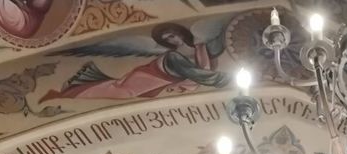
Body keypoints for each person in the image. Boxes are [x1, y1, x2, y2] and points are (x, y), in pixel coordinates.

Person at [45, 24, 226, 102]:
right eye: (168, 39)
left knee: (119, 91)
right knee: (120, 89)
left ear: (179, 32)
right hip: (152, 73)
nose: (172, 40)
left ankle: (79, 86)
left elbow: (218, 45)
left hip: (163, 79)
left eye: (172, 35)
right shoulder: (173, 54)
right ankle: (220, 79)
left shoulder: (201, 47)